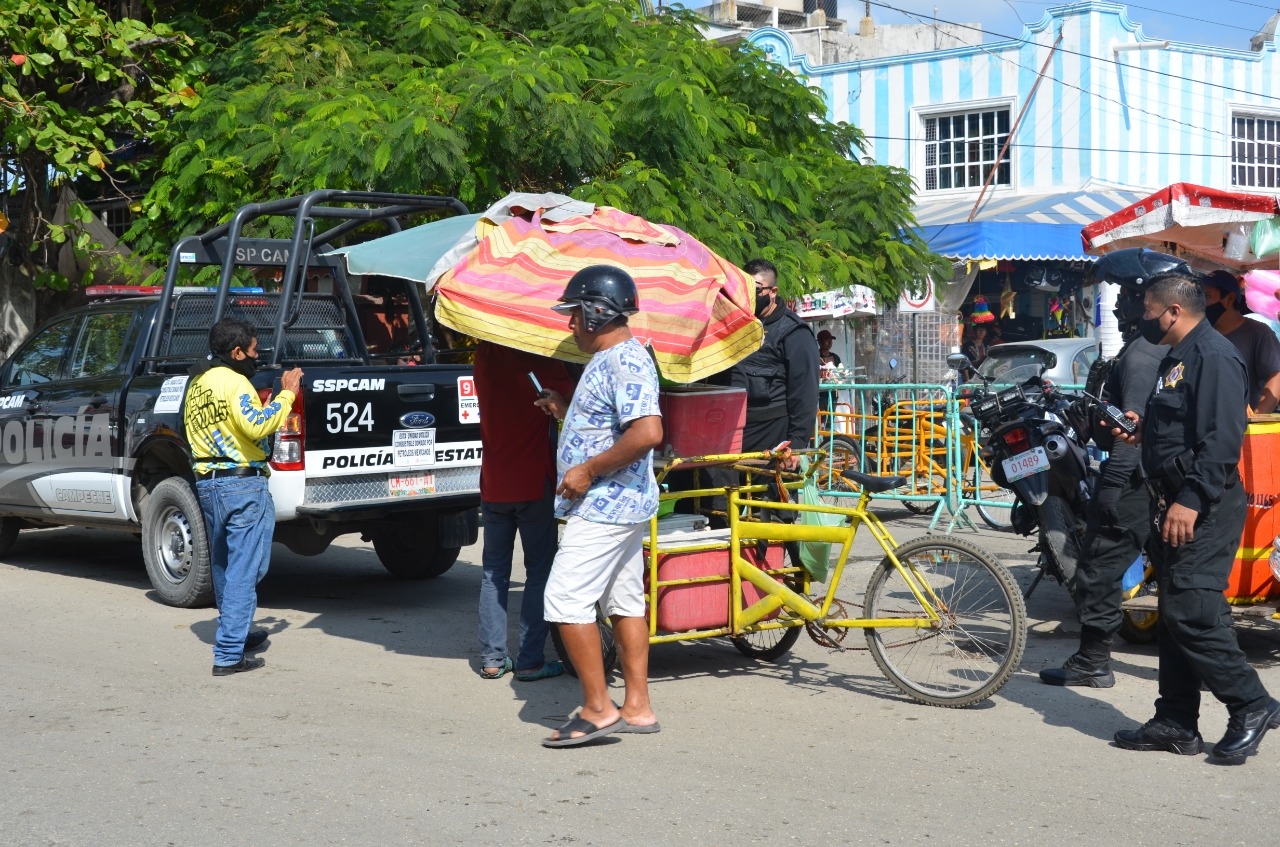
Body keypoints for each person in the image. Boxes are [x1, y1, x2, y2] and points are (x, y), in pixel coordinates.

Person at [1110, 271, 1280, 765]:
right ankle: (1176, 721)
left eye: (1146, 310)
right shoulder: (1179, 357)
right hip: (1174, 501)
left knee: (1192, 613)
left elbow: (1223, 442)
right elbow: (1181, 428)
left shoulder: (1214, 356)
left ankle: (1252, 705)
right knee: (1173, 617)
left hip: (1201, 505)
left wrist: (1190, 500)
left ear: (1174, 312)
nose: (1140, 318)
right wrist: (1142, 430)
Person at [535, 265, 664, 748]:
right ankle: (637, 705)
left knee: (565, 600)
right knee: (624, 601)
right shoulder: (618, 358)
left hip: (605, 505)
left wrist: (586, 470)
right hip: (622, 504)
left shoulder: (622, 361)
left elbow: (647, 432)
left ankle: (597, 707)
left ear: (595, 312)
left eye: (574, 314)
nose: (569, 324)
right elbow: (612, 426)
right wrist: (565, 413)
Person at [1038, 248, 1174, 689]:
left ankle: (1093, 662)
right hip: (1157, 481)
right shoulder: (1149, 351)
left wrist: (1113, 485)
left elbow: (1131, 429)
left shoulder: (1140, 357)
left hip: (1133, 482)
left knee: (1099, 566)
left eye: (1126, 298)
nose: (1115, 306)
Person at [183, 317, 302, 676]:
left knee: (225, 565)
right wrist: (287, 394)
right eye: (253, 351)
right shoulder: (235, 384)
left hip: (208, 484)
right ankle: (229, 654)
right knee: (246, 569)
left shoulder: (197, 385)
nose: (257, 357)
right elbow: (257, 425)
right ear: (236, 352)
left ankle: (239, 631)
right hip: (242, 484)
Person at [473, 342, 576, 681]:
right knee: (539, 571)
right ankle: (530, 660)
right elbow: (575, 402)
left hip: (494, 481)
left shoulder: (483, 355)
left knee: (494, 573)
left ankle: (491, 659)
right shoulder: (539, 358)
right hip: (533, 482)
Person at [728, 258, 820, 470]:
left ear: (773, 291)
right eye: (746, 289)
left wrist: (796, 444)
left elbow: (805, 393)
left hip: (772, 436)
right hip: (733, 437)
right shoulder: (736, 324)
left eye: (757, 290)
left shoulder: (793, 332)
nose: (750, 296)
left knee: (768, 502)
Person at [1201, 269, 1280, 414]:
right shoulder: (1201, 335)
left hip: (1239, 430)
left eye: (1207, 296)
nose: (1202, 303)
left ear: (1229, 299)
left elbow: (1276, 377)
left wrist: (1257, 417)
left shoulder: (1258, 333)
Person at [816, 329, 841, 414]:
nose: (830, 342)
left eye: (831, 340)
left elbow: (840, 372)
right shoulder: (814, 356)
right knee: (820, 417)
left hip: (833, 393)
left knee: (830, 417)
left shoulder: (835, 357)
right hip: (820, 394)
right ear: (820, 342)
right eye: (827, 340)